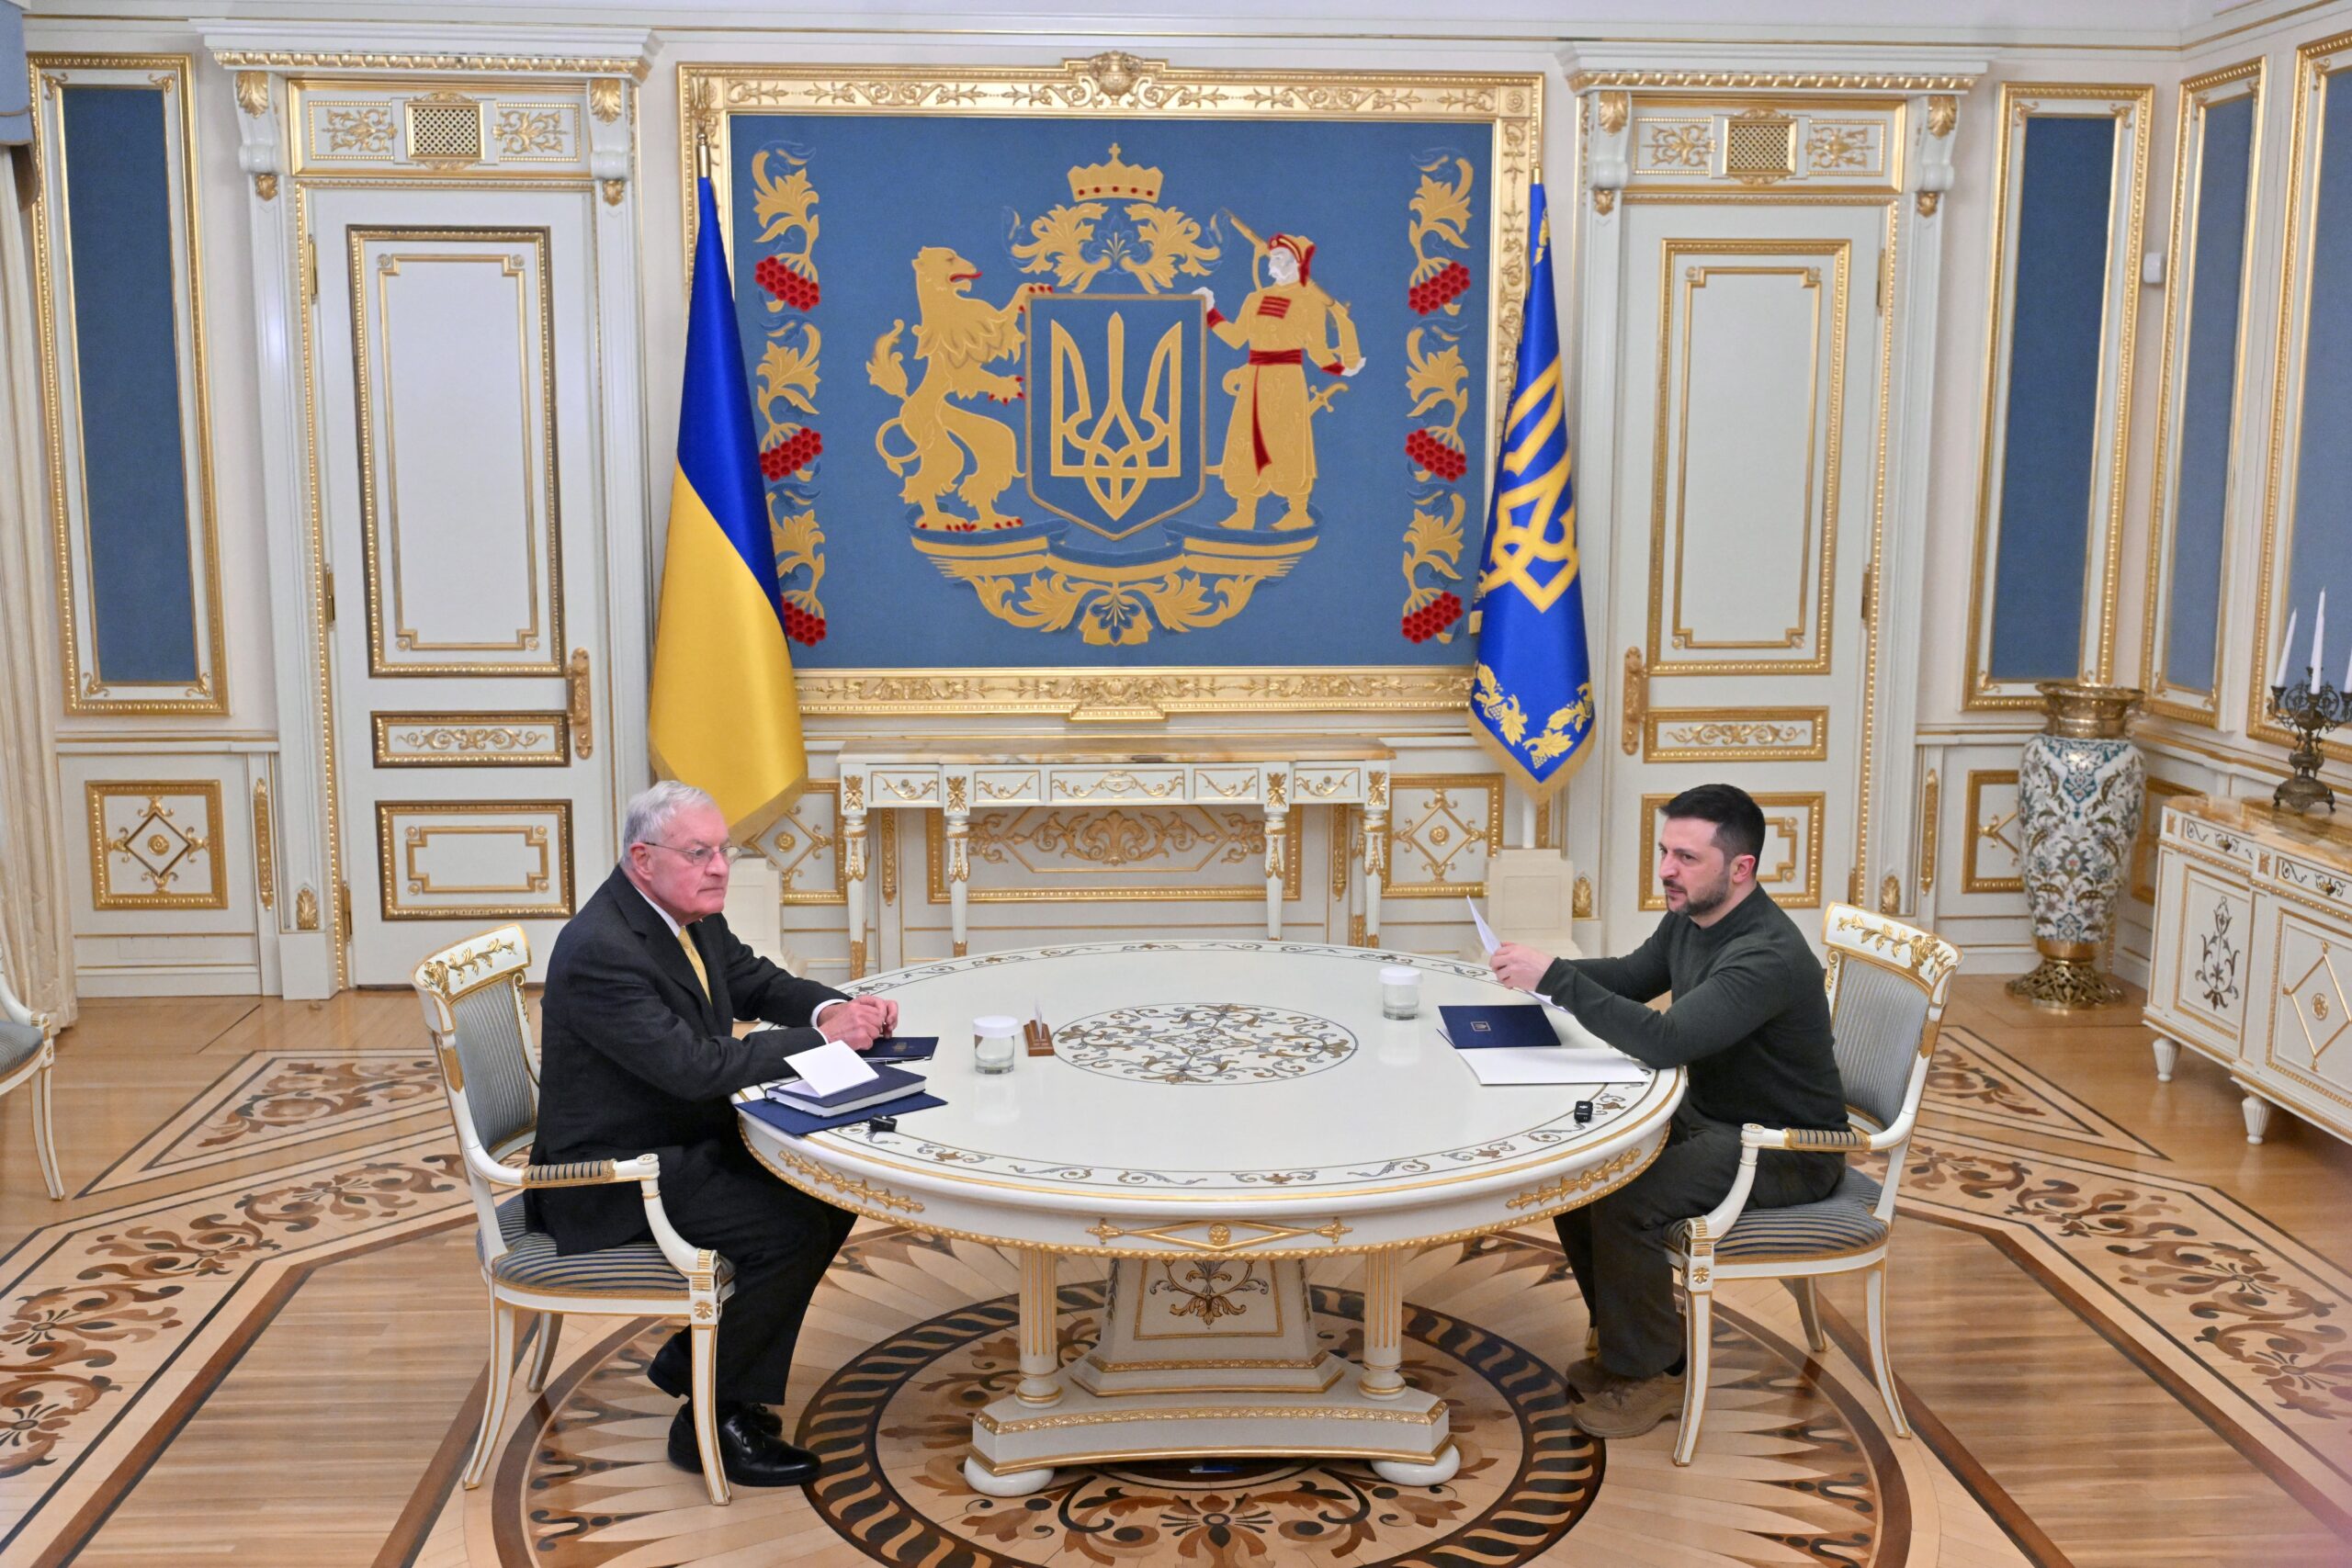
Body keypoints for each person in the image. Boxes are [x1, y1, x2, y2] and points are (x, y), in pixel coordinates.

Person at [532, 780, 899, 1487]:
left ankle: (702, 1365)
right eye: (699, 852)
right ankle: (711, 1419)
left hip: (677, 1137)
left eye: (723, 849)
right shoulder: (603, 950)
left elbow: (756, 980)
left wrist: (834, 1009)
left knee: (831, 1189)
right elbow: (696, 1067)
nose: (720, 867)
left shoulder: (684, 914)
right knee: (789, 1227)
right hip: (612, 1172)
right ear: (643, 858)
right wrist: (824, 1044)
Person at [1488, 783, 1848, 1440]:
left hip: (1785, 1147)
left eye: (1686, 857)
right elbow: (1631, 976)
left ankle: (1651, 1375)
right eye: (1663, 852)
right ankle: (1633, 1342)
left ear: (1741, 868)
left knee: (1626, 1199)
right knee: (1583, 1172)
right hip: (1715, 1117)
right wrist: (1535, 970)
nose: (1666, 870)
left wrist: (1556, 979)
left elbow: (1666, 1039)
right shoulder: (1692, 916)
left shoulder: (1764, 954)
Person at [1193, 231, 1363, 531]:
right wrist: (1210, 311)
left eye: (1280, 257)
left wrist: (1342, 369)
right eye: (1272, 257)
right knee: (1248, 442)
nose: (1272, 262)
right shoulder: (1255, 298)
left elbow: (1318, 351)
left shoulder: (1310, 302)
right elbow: (1236, 338)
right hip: (1255, 379)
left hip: (1287, 379)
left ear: (1297, 262)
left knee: (1288, 443)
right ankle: (1245, 511)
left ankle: (1298, 512)